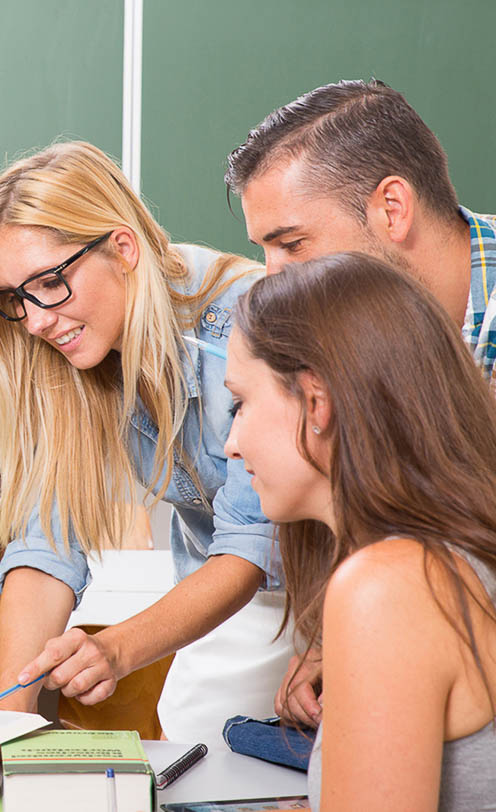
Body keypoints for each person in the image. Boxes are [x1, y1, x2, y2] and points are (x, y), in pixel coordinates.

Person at [0, 140, 286, 749]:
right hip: (234, 606)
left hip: (329, 588)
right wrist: (10, 712)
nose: (36, 321)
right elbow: (48, 538)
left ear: (122, 248)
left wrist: (113, 649)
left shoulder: (243, 321)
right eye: (14, 299)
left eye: (49, 283)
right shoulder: (68, 357)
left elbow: (248, 545)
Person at [225, 78, 496, 724]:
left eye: (293, 245)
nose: (274, 277)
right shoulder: (373, 353)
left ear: (392, 210)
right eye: (264, 250)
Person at [224, 252, 496, 811]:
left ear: (316, 401)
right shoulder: (444, 554)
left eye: (241, 403)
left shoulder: (389, 586)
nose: (232, 442)